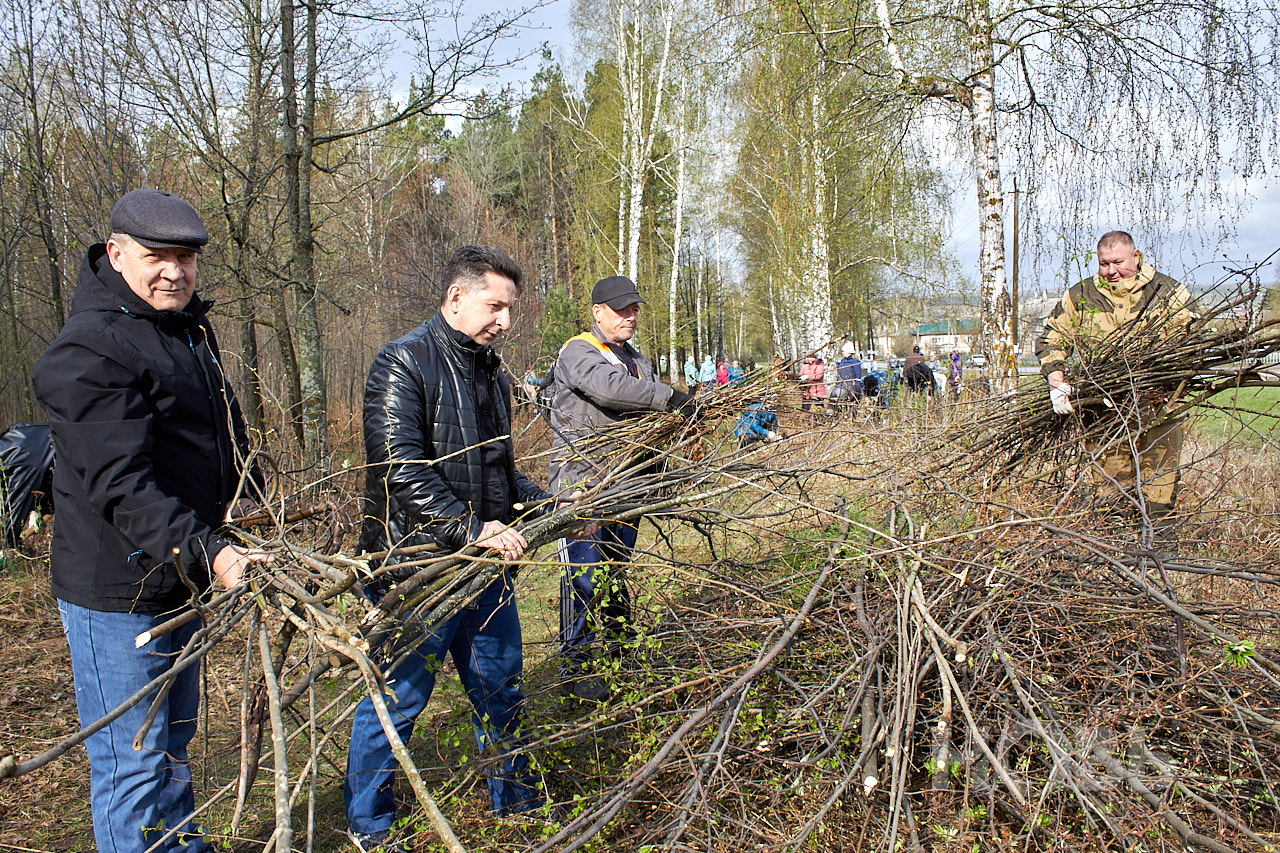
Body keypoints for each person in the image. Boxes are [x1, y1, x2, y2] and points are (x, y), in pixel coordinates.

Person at [31, 189, 269, 853]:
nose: (173, 271)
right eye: (155, 256)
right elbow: (122, 484)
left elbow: (218, 428)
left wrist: (246, 490)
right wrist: (210, 550)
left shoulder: (188, 328)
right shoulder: (90, 350)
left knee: (170, 745)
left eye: (186, 258)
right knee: (131, 760)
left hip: (177, 577)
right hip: (121, 595)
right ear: (115, 253)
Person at [347, 245, 553, 849]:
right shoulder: (402, 364)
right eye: (495, 306)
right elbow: (399, 468)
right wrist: (470, 531)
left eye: (510, 309)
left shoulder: (490, 369)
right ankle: (368, 823)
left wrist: (542, 501)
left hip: (486, 566)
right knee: (399, 701)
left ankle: (513, 798)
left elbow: (494, 466)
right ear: (456, 297)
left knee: (500, 684)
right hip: (419, 570)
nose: (505, 322)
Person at [547, 275, 694, 701]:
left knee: (614, 573)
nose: (631, 316)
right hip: (584, 488)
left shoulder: (637, 359)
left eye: (634, 309)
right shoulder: (579, 350)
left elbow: (646, 423)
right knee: (582, 579)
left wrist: (662, 471)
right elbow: (609, 391)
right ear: (598, 313)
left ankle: (618, 654)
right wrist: (670, 397)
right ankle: (573, 670)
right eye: (621, 309)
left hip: (625, 487)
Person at [1035, 230, 1195, 516]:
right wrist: (1057, 382)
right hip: (1103, 410)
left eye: (1118, 262)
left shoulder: (1167, 292)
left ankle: (1160, 556)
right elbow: (1051, 338)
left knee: (1159, 486)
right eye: (1104, 263)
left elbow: (1194, 340)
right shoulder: (1081, 296)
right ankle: (1114, 553)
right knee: (1110, 491)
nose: (1111, 271)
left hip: (1160, 408)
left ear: (1136, 257)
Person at [829, 342, 863, 413]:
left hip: (851, 385)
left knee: (844, 394)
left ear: (849, 352)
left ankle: (850, 414)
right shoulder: (842, 362)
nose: (843, 353)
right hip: (840, 384)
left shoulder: (855, 362)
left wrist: (856, 390)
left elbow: (858, 377)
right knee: (833, 393)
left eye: (844, 351)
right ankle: (831, 412)